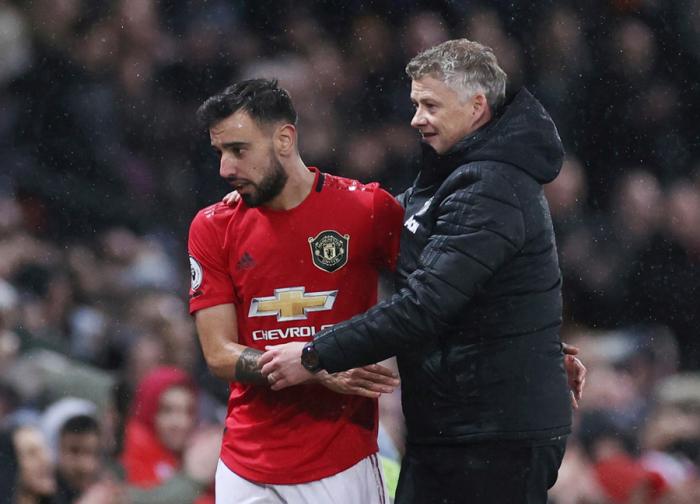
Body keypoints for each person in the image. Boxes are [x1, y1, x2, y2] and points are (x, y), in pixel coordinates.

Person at [261, 38, 576, 503]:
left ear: (476, 107)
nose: (416, 119)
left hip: (494, 434)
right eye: (415, 105)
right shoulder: (453, 175)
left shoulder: (491, 186)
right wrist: (272, 205)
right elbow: (371, 227)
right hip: (459, 427)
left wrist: (314, 355)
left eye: (430, 105)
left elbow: (424, 306)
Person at [188, 78, 404, 503]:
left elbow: (434, 295)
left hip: (341, 463)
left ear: (285, 139)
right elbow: (217, 353)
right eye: (219, 153)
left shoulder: (367, 209)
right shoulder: (212, 227)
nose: (225, 169)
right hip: (245, 468)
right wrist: (316, 362)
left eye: (239, 150)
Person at [120, 366, 198, 488]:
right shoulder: (131, 447)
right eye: (168, 411)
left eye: (188, 411)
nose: (181, 423)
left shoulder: (193, 450)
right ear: (148, 410)